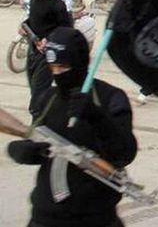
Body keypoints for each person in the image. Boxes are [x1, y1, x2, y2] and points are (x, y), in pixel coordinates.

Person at [8, 27, 137, 227]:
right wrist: (22, 150)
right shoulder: (48, 99)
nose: (57, 74)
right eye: (53, 68)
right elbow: (36, 136)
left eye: (63, 67)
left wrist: (97, 117)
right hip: (45, 216)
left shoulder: (110, 98)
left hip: (96, 218)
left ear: (80, 62)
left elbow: (124, 153)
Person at [22, 0, 72, 117]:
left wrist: (49, 39)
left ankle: (37, 128)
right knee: (35, 92)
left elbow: (67, 31)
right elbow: (32, 21)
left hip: (48, 56)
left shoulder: (57, 5)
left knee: (37, 100)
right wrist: (24, 26)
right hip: (32, 54)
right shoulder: (33, 0)